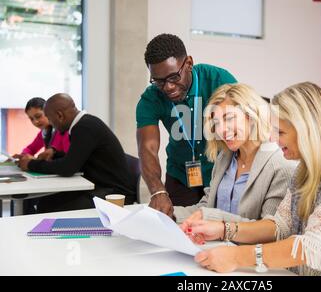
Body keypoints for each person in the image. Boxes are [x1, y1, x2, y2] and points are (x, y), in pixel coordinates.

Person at [184, 82, 321, 276]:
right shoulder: (305, 169)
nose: (273, 138)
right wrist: (223, 229)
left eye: (280, 132)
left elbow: (313, 247)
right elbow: (278, 226)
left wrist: (236, 256)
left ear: (306, 129)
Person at [136, 33, 237, 218]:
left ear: (189, 63)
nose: (168, 87)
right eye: (159, 81)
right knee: (175, 227)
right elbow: (147, 149)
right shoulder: (150, 99)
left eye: (174, 77)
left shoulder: (219, 80)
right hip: (180, 176)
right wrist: (158, 192)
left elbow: (244, 129)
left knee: (218, 228)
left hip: (221, 174)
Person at [174, 84, 295, 225]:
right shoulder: (224, 158)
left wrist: (214, 218)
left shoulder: (281, 164)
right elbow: (206, 207)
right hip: (214, 244)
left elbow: (269, 230)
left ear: (251, 115)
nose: (221, 130)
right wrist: (169, 214)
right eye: (216, 123)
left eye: (229, 118)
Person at [18, 94, 135, 213]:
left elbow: (68, 168)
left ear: (59, 115)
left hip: (113, 193)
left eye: (50, 118)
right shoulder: (82, 124)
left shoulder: (85, 127)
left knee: (49, 207)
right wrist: (55, 154)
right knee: (45, 202)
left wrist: (30, 164)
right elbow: (77, 158)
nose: (51, 124)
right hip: (100, 186)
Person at [13, 97, 70, 162]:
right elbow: (30, 149)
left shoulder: (63, 131)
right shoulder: (44, 132)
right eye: (31, 119)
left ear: (48, 112)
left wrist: (35, 161)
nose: (35, 121)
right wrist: (24, 155)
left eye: (38, 116)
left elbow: (68, 158)